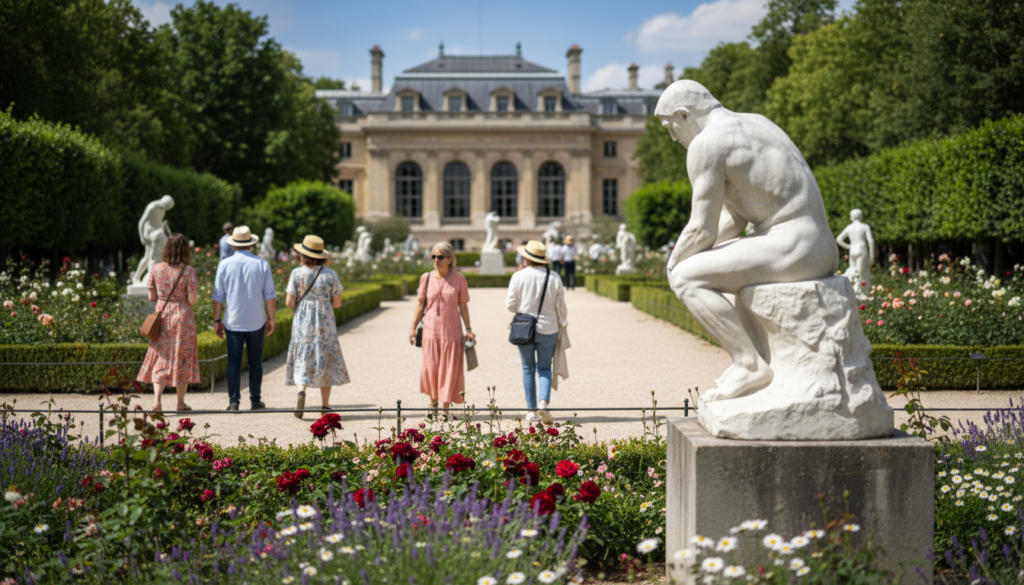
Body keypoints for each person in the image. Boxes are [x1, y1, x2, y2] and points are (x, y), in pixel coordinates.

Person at [656, 80, 838, 401]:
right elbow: (735, 219)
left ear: (684, 115)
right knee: (714, 263)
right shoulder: (756, 122)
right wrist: (702, 254)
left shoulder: (707, 144)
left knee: (685, 278)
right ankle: (758, 358)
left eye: (671, 127)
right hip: (816, 244)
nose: (673, 138)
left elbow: (702, 229)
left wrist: (674, 262)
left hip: (795, 247)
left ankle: (749, 364)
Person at [285, 235, 350, 418]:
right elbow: (337, 303)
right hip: (325, 322)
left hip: (303, 322)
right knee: (325, 358)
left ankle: (301, 390)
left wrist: (303, 302)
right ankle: (325, 405)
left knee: (303, 355)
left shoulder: (297, 273)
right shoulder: (331, 275)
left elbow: (289, 302)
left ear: (303, 254)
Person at [212, 226, 276, 411]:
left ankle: (234, 402)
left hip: (233, 319)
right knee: (255, 360)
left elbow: (218, 296)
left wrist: (217, 320)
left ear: (233, 246)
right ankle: (255, 400)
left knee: (233, 361)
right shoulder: (262, 264)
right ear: (251, 244)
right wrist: (271, 318)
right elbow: (270, 295)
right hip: (256, 320)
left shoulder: (224, 264)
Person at [408, 242, 475, 419]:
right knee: (430, 369)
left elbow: (463, 307)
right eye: (433, 256)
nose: (436, 260)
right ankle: (433, 406)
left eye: (440, 257)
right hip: (430, 330)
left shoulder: (459, 279)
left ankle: (445, 409)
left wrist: (468, 329)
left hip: (452, 331)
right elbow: (420, 304)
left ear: (450, 259)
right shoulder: (426, 277)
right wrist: (413, 327)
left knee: (449, 369)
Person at [505, 240, 568, 424]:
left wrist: (524, 308)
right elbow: (561, 306)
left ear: (526, 258)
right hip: (549, 327)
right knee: (544, 368)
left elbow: (510, 305)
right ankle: (543, 405)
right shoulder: (554, 276)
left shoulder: (518, 276)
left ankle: (531, 411)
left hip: (524, 327)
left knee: (528, 369)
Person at [137, 233, 200, 412]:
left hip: (162, 316)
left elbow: (151, 296)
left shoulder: (156, 269)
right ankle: (180, 403)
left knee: (161, 357)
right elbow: (192, 299)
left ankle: (157, 401)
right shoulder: (188, 271)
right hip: (182, 318)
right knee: (182, 357)